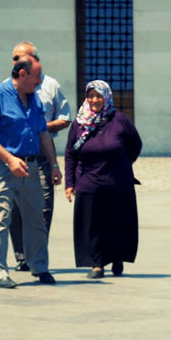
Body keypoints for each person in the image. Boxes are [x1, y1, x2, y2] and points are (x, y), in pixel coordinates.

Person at [0, 54, 62, 289]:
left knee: (36, 218)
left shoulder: (35, 100)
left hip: (30, 167)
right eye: (37, 77)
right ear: (23, 74)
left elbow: (43, 133)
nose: (40, 82)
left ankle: (39, 266)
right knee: (0, 219)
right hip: (3, 167)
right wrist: (9, 159)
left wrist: (53, 165)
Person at [64, 80, 141, 279]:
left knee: (117, 223)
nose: (94, 100)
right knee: (93, 225)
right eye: (90, 96)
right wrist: (70, 184)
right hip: (89, 182)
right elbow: (70, 154)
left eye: (98, 96)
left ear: (106, 96)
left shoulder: (119, 120)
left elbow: (135, 144)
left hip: (118, 182)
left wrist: (124, 163)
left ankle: (117, 258)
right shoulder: (79, 124)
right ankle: (97, 264)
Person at [8, 41, 71, 272]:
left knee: (43, 208)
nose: (15, 63)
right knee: (15, 210)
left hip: (42, 156)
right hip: (15, 158)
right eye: (14, 58)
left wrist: (42, 127)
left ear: (34, 60)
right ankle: (22, 256)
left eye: (20, 58)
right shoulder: (7, 87)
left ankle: (37, 256)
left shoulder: (50, 85)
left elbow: (65, 117)